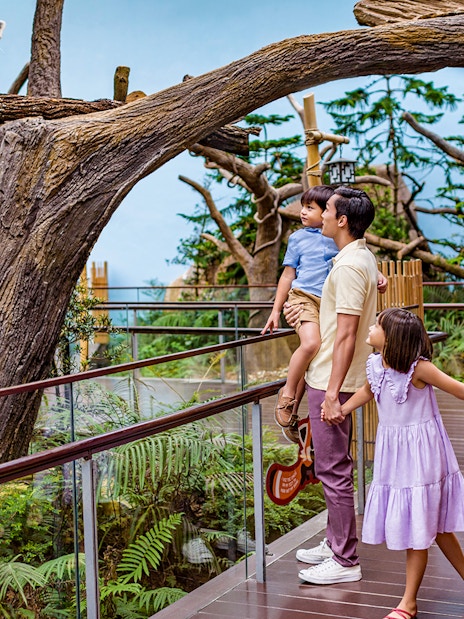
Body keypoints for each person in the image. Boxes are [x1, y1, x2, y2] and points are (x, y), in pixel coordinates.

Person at [321, 308, 464, 619]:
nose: (371, 328)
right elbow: (367, 391)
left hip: (423, 456)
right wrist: (341, 410)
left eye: (377, 325)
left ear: (392, 339)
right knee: (436, 527)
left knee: (420, 526)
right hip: (395, 456)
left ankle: (408, 604)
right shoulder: (375, 364)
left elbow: (459, 390)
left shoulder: (419, 369)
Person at [287, 186, 379, 585]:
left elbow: (345, 335)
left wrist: (329, 393)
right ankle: (334, 542)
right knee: (334, 467)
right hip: (336, 378)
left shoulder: (346, 268)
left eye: (327, 210)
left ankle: (345, 561)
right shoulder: (359, 258)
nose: (320, 215)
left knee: (333, 469)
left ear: (342, 220)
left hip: (332, 381)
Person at [261, 185, 338, 440]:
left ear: (328, 212)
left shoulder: (338, 237)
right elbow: (287, 275)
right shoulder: (298, 238)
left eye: (310, 208)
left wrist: (379, 276)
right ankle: (288, 393)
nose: (302, 212)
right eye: (303, 206)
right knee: (311, 343)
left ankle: (295, 413)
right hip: (302, 298)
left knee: (316, 357)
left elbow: (355, 259)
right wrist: (275, 310)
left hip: (328, 303)